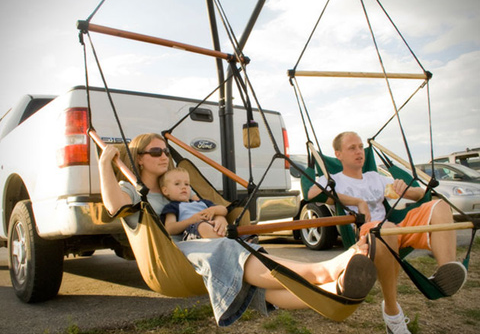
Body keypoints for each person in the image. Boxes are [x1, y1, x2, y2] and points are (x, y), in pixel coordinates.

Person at [98, 132, 377, 327]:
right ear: (140, 158)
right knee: (232, 249)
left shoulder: (179, 185)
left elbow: (211, 208)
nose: (164, 156)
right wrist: (104, 166)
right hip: (175, 257)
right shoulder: (135, 191)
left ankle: (334, 290)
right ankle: (324, 270)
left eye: (166, 151)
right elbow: (113, 206)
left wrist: (219, 218)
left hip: (207, 249)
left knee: (258, 285)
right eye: (156, 151)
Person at [308, 131, 467, 334]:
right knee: (387, 229)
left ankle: (446, 271)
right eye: (352, 148)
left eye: (360, 147)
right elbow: (312, 194)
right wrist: (357, 201)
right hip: (366, 234)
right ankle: (392, 312)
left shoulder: (375, 177)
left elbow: (421, 194)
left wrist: (405, 190)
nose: (359, 151)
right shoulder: (333, 179)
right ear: (338, 155)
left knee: (439, 206)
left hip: (392, 229)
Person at [160, 167, 227, 240]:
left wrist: (213, 210)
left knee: (223, 224)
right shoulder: (172, 206)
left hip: (212, 225)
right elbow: (170, 228)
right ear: (165, 190)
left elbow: (224, 210)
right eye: (177, 184)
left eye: (187, 184)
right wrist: (192, 220)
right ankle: (225, 240)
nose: (183, 187)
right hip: (192, 230)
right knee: (203, 226)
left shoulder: (202, 202)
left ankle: (226, 239)